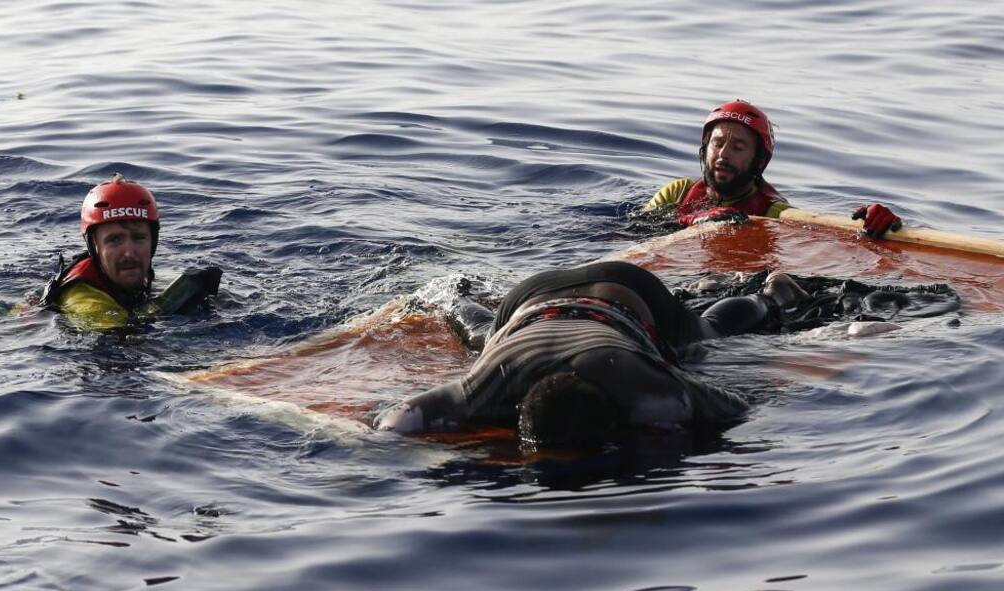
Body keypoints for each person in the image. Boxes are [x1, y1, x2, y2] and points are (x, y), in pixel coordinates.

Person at [375, 260, 806, 446]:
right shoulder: (486, 386)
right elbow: (392, 423)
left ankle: (772, 295)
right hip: (538, 301)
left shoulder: (645, 390)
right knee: (482, 340)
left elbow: (391, 426)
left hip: (603, 294)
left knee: (706, 337)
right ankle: (771, 297)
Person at [643, 100, 902, 236]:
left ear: (759, 160)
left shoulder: (773, 210)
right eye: (718, 143)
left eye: (739, 148)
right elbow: (635, 232)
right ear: (705, 146)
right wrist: (694, 220)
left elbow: (818, 235)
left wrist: (870, 226)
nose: (723, 155)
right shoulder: (677, 192)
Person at [41, 174, 221, 330]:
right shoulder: (85, 302)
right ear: (94, 246)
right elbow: (122, 346)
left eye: (138, 238)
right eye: (114, 240)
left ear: (153, 241)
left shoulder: (135, 278)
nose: (129, 253)